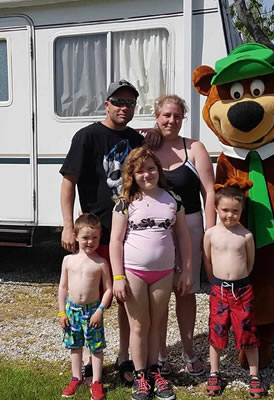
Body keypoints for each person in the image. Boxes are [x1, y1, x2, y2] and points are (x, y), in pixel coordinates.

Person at [60, 79, 160, 385]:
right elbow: (68, 182)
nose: (124, 108)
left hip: (130, 234)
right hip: (95, 234)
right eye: (118, 102)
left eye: (130, 103)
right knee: (91, 297)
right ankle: (89, 359)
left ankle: (124, 356)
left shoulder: (135, 138)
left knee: (124, 296)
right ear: (106, 104)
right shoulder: (87, 136)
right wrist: (67, 225)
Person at [110, 147, 192, 400]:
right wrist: (118, 277)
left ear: (159, 170)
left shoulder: (172, 199)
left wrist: (186, 270)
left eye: (151, 168)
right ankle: (140, 376)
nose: (147, 174)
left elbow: (183, 237)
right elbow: (115, 241)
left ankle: (156, 370)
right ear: (131, 175)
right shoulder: (125, 202)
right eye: (140, 171)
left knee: (157, 324)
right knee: (139, 325)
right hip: (134, 272)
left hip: (164, 273)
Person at [153, 94, 215, 376]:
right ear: (156, 117)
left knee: (186, 290)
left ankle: (189, 353)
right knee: (160, 293)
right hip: (157, 230)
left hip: (190, 225)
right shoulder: (148, 149)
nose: (171, 120)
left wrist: (211, 233)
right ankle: (162, 356)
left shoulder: (194, 148)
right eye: (166, 115)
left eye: (177, 116)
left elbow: (209, 193)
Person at [203, 186, 267, 398]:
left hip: (242, 292)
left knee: (247, 332)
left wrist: (238, 281)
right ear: (216, 208)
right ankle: (214, 372)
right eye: (225, 210)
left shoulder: (246, 235)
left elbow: (250, 263)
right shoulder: (210, 234)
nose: (230, 215)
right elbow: (207, 260)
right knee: (216, 332)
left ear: (241, 211)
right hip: (219, 291)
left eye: (235, 211)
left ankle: (254, 375)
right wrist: (216, 283)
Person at [58, 213, 112, 400]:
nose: (90, 242)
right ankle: (76, 377)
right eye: (85, 238)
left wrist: (100, 311)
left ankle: (96, 381)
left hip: (92, 311)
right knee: (75, 346)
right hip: (72, 310)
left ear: (100, 237)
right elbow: (63, 287)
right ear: (75, 237)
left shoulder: (101, 263)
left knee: (96, 347)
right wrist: (61, 312)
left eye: (94, 237)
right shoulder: (68, 261)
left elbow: (108, 290)